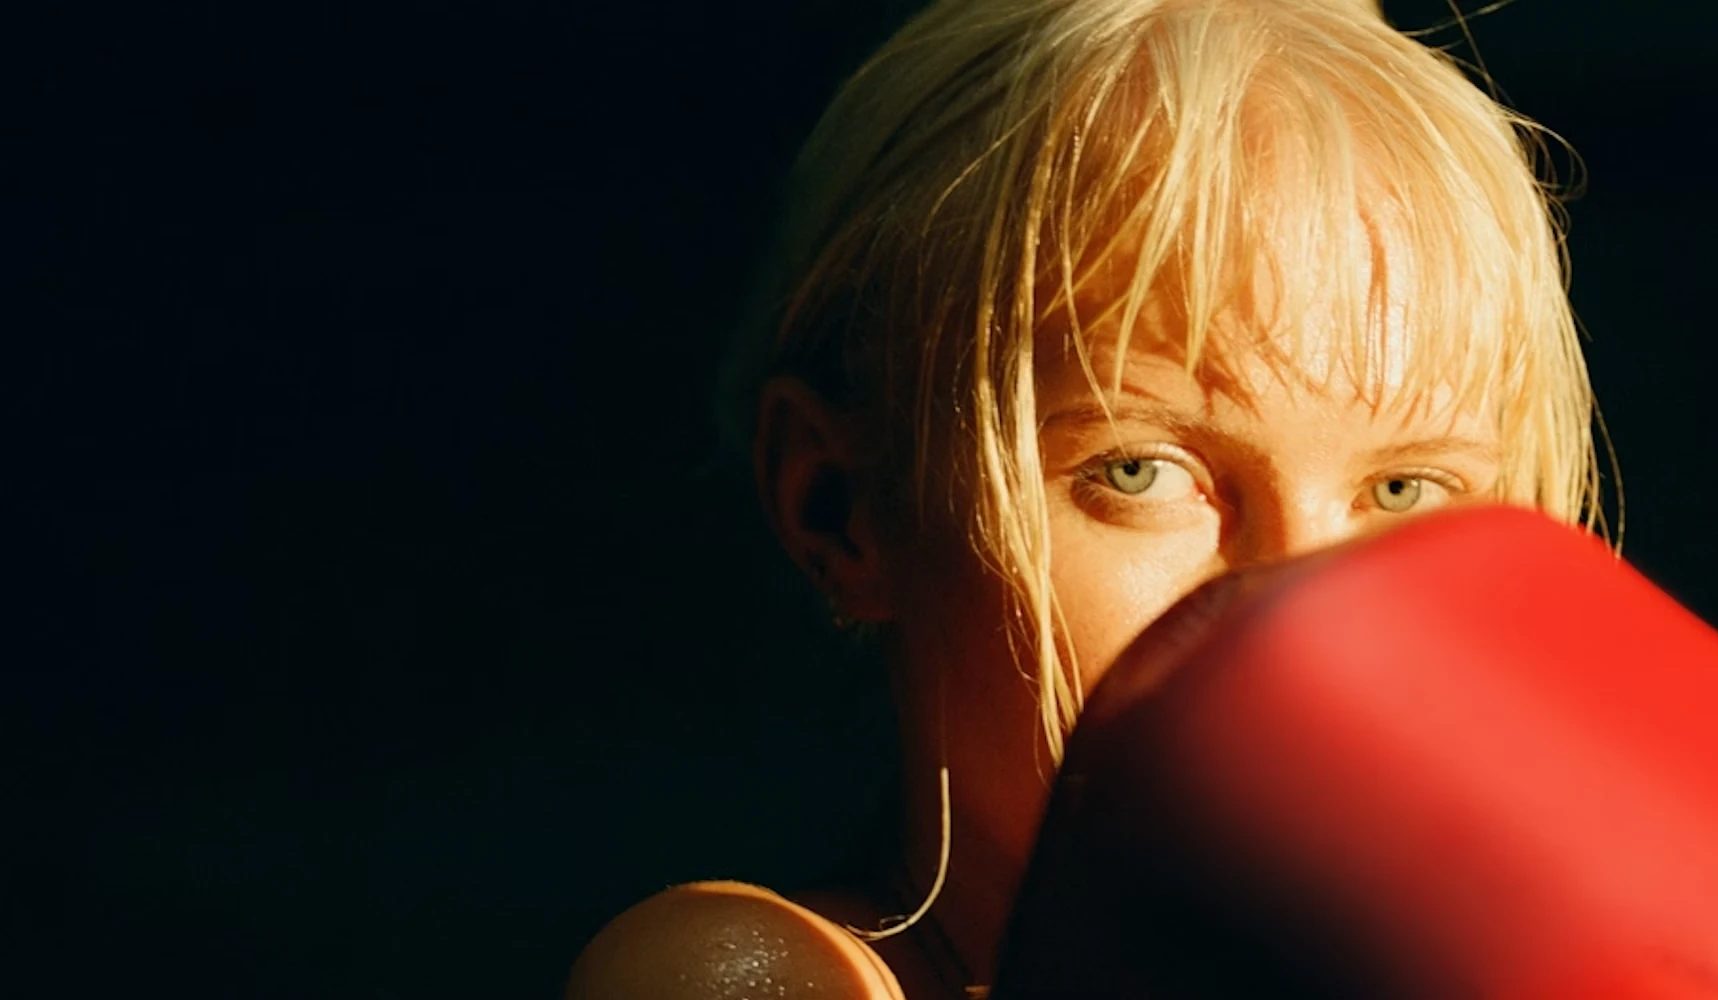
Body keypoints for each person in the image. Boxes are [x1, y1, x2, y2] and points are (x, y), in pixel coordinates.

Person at [568, 1, 1605, 997]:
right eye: (1138, 472)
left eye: (1401, 487)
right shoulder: (762, 973)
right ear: (843, 507)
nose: (1309, 628)